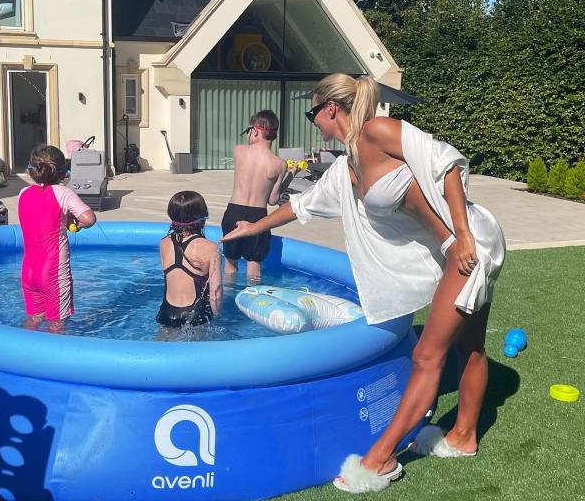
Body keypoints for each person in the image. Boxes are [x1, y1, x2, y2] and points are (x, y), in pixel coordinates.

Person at [220, 73, 506, 493]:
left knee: (427, 355)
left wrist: (462, 235)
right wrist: (252, 228)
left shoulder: (377, 131)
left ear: (330, 109)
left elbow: (447, 163)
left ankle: (381, 459)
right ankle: (463, 437)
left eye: (312, 112)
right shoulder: (345, 166)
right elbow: (301, 205)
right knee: (471, 346)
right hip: (453, 246)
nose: (311, 121)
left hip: (468, 244)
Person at [18, 144, 96, 333]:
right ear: (63, 173)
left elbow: (40, 217)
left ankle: (21, 354)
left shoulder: (23, 194)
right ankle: (51, 360)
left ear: (31, 170)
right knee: (56, 324)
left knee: (33, 319)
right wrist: (76, 225)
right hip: (52, 273)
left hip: (28, 270)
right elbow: (89, 218)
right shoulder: (63, 193)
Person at [221, 110, 288, 281]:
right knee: (254, 264)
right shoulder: (280, 164)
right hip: (258, 216)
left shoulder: (239, 151)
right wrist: (291, 175)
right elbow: (273, 200)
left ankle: (228, 299)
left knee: (230, 263)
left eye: (249, 131)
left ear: (255, 131)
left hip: (233, 212)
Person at [157, 191, 222, 328]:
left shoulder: (163, 243)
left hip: (166, 313)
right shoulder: (211, 248)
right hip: (195, 316)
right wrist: (217, 318)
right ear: (203, 217)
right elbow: (215, 292)